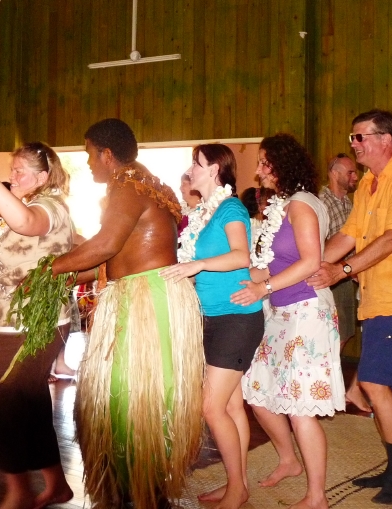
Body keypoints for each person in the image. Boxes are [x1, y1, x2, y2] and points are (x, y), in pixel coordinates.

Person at [50, 118, 204, 509]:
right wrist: (63, 279)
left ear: (107, 154)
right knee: (132, 398)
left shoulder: (127, 185)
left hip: (145, 301)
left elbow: (106, 244)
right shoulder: (143, 182)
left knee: (133, 399)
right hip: (145, 295)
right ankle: (139, 487)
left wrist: (47, 270)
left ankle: (141, 491)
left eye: (89, 154)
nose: (88, 163)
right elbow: (116, 256)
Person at [309, 109, 392, 505]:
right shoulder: (368, 182)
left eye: (360, 136)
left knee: (372, 383)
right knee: (387, 385)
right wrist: (311, 264)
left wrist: (342, 270)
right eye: (352, 137)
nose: (354, 144)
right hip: (380, 296)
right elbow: (349, 234)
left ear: (386, 139)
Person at [0, 135, 76, 509]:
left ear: (43, 177)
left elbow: (22, 221)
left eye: (20, 171)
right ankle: (57, 485)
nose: (14, 177)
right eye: (12, 170)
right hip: (23, 322)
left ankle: (18, 491)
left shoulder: (47, 209)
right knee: (28, 405)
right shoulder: (27, 203)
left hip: (33, 325)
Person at [232, 133, 344, 509]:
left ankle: (317, 496)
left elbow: (311, 261)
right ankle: (288, 460)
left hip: (306, 313)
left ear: (282, 165)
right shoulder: (284, 205)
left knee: (300, 408)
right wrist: (233, 278)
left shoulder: (302, 204)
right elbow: (272, 265)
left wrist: (262, 288)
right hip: (282, 313)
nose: (259, 170)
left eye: (264, 162)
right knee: (256, 390)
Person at [161, 144, 264, 509]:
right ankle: (238, 482)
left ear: (215, 169)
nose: (191, 168)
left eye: (197, 163)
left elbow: (240, 256)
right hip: (211, 318)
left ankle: (237, 489)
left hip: (236, 319)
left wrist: (197, 266)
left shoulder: (231, 208)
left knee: (210, 407)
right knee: (231, 406)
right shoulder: (203, 213)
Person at [318, 153, 367, 410]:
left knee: (345, 330)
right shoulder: (320, 201)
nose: (354, 177)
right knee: (333, 332)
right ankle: (322, 383)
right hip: (330, 276)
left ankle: (326, 383)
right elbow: (318, 244)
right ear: (334, 173)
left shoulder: (348, 203)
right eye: (349, 172)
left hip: (347, 275)